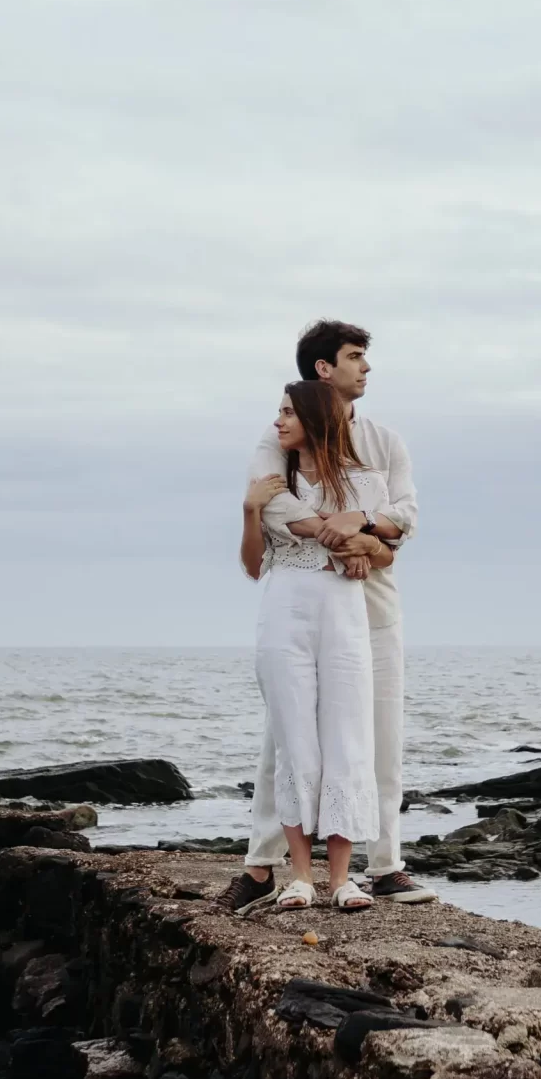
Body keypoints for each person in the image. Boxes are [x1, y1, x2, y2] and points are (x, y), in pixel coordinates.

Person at [227, 319, 435, 912]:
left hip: (373, 607)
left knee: (379, 738)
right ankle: (264, 866)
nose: (365, 368)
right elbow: (285, 512)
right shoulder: (278, 440)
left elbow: (404, 517)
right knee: (284, 742)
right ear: (325, 368)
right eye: (355, 357)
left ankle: (385, 866)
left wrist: (368, 537)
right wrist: (353, 536)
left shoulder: (385, 441)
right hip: (304, 600)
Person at [247, 380, 398, 910]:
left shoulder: (365, 483)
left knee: (347, 735)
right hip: (284, 614)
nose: (278, 422)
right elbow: (310, 528)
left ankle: (341, 880)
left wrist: (366, 540)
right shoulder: (272, 484)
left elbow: (386, 554)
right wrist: (354, 535)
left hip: (343, 615)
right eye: (278, 412)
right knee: (294, 738)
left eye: (289, 412)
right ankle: (301, 878)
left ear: (315, 419)